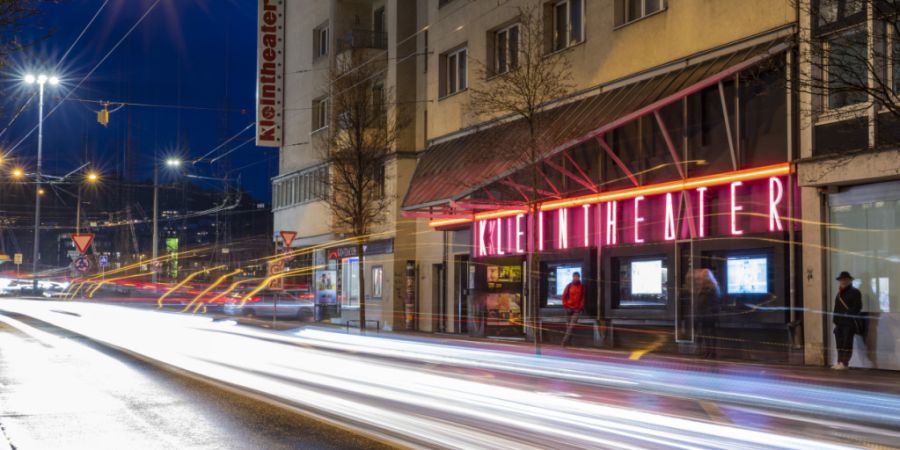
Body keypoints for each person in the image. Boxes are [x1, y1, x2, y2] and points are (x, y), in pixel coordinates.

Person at [832, 271, 862, 370]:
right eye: (841, 280)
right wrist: (835, 320)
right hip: (839, 324)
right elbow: (836, 308)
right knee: (839, 344)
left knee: (846, 343)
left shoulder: (855, 292)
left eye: (845, 279)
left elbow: (858, 307)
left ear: (850, 280)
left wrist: (847, 314)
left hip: (849, 323)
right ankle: (839, 361)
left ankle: (844, 363)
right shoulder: (839, 294)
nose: (843, 281)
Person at [694, 269, 721, 359]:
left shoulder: (710, 289)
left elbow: (706, 303)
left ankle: (710, 352)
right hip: (707, 315)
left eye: (702, 277)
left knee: (708, 334)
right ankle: (709, 351)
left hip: (707, 315)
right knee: (709, 334)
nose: (700, 279)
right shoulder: (711, 287)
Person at [561, 272, 585, 347]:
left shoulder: (582, 287)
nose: (576, 278)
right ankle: (569, 342)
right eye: (574, 276)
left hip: (576, 310)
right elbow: (564, 296)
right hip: (568, 309)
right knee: (569, 327)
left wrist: (580, 307)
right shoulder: (569, 286)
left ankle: (564, 341)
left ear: (579, 277)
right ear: (572, 277)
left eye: (577, 277)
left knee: (571, 326)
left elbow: (583, 298)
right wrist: (565, 305)